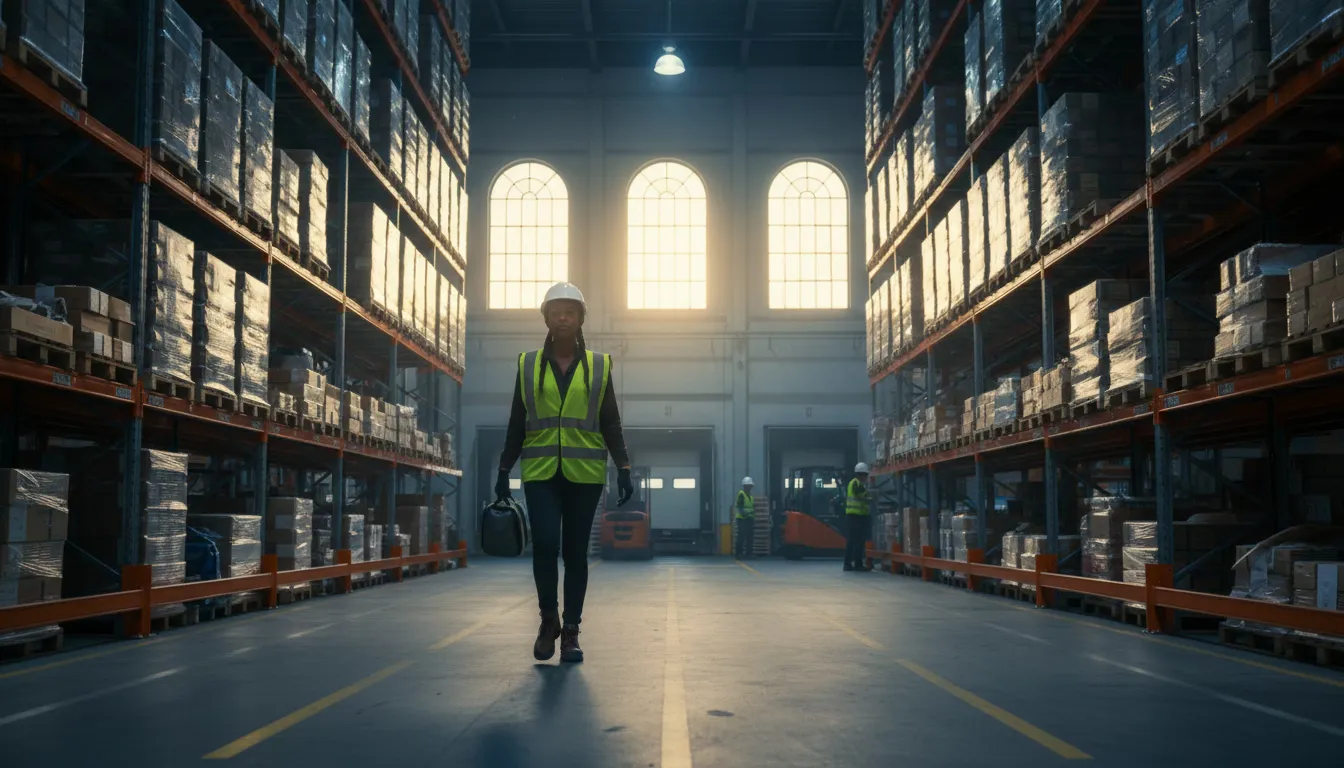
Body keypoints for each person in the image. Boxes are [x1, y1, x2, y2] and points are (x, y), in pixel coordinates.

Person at [495, 282, 634, 663]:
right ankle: (547, 621)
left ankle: (571, 631)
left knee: (575, 553)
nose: (562, 316)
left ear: (580, 318)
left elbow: (611, 422)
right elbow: (516, 422)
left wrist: (623, 467)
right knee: (543, 545)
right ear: (546, 317)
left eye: (569, 311)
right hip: (540, 472)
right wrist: (503, 468)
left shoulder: (600, 366)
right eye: (555, 310)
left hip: (585, 474)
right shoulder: (527, 365)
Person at [843, 463, 872, 572]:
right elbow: (861, 496)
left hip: (860, 516)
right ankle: (849, 564)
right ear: (861, 474)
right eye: (865, 475)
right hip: (854, 516)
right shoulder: (856, 484)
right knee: (853, 541)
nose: (866, 477)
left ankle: (857, 563)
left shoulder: (859, 484)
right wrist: (870, 496)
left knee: (859, 541)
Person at [734, 477, 755, 560]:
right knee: (741, 537)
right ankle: (738, 554)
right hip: (742, 519)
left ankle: (749, 553)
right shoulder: (741, 494)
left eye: (750, 486)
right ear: (745, 486)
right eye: (748, 486)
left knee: (750, 537)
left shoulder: (750, 496)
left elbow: (751, 508)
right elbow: (740, 507)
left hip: (749, 519)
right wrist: (745, 514)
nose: (750, 487)